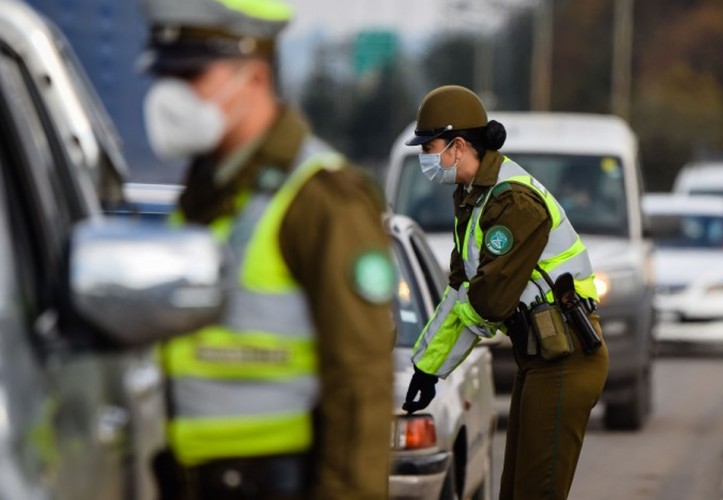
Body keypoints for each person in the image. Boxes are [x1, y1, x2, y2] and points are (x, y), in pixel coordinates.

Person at [138, 1, 396, 498]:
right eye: (165, 75)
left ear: (253, 79)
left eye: (191, 75)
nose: (170, 95)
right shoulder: (206, 192)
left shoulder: (322, 199)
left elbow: (360, 387)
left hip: (275, 481)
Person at [402, 85, 609, 499]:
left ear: (458, 146)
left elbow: (488, 303)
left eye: (431, 146)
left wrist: (469, 306)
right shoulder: (473, 199)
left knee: (535, 492)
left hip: (566, 359)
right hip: (538, 358)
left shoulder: (512, 201)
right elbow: (460, 293)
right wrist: (427, 367)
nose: (425, 156)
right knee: (515, 491)